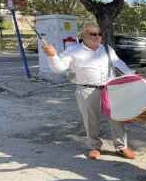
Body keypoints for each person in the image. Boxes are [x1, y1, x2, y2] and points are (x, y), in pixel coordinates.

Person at [43, 23, 136, 160]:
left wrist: (133, 76)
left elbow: (119, 64)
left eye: (99, 34)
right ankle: (94, 146)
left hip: (109, 89)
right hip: (86, 89)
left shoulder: (106, 48)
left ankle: (121, 147)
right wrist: (52, 56)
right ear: (83, 36)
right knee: (91, 120)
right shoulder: (73, 50)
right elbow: (59, 68)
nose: (97, 37)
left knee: (117, 118)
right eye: (93, 34)